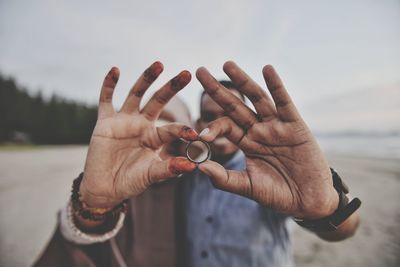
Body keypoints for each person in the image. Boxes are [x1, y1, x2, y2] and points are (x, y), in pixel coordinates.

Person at [34, 61, 360, 267]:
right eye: (209, 114)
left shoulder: (273, 176)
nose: (219, 123)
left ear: (247, 119)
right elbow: (86, 231)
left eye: (229, 113)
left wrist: (326, 206)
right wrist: (92, 203)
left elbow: (345, 231)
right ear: (195, 124)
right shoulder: (180, 177)